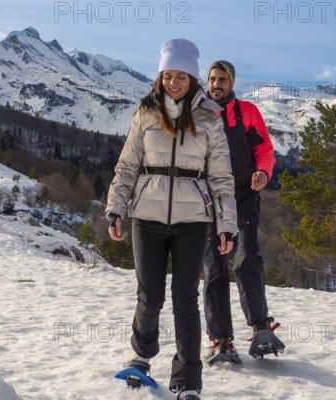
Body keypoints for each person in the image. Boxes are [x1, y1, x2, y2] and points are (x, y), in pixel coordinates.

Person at [106, 39, 238, 399]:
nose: (174, 82)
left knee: (184, 297)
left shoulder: (210, 119)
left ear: (193, 79)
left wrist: (227, 226)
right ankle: (140, 357)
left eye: (182, 76)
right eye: (168, 75)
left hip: (193, 221)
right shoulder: (145, 113)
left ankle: (187, 381)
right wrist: (116, 208)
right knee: (149, 294)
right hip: (146, 216)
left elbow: (222, 179)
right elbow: (127, 166)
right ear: (160, 75)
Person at [203, 60, 278, 364]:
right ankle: (221, 339)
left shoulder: (247, 112)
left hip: (244, 198)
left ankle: (261, 326)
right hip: (209, 201)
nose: (216, 84)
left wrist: (263, 171)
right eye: (212, 79)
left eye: (222, 79)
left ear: (232, 82)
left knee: (247, 258)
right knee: (214, 268)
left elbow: (265, 151)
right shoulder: (199, 113)